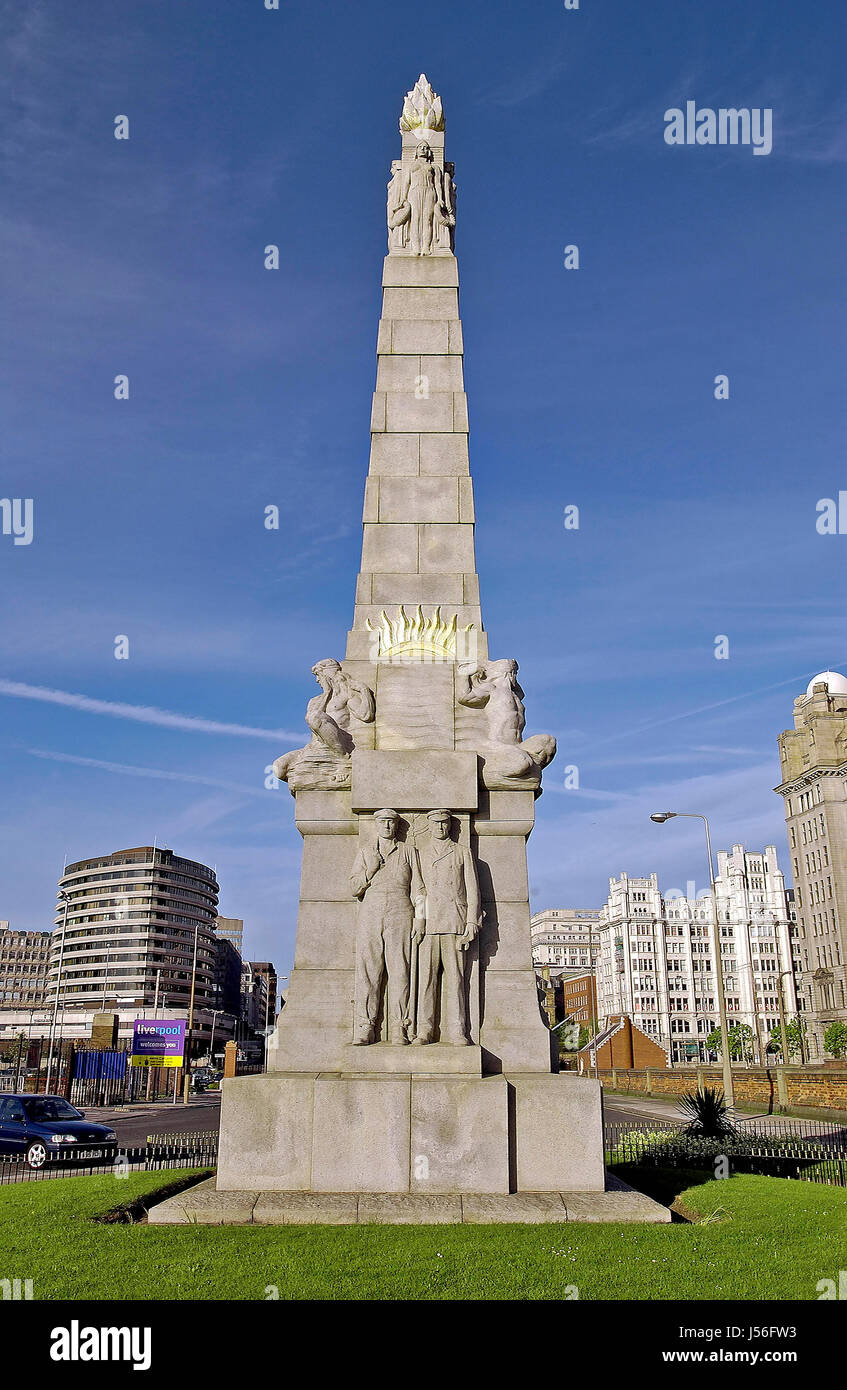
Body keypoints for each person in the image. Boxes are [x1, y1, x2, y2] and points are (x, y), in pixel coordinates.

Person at [350, 810, 424, 1045]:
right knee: (369, 971)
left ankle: (399, 1027)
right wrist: (370, 869)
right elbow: (353, 888)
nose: (387, 826)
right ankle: (366, 1025)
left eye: (391, 822)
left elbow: (419, 888)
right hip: (371, 912)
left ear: (397, 826)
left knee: (400, 971)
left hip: (401, 911)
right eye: (382, 821)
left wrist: (421, 918)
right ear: (376, 825)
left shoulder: (408, 851)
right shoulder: (365, 853)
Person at [413, 809, 480, 1045]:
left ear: (450, 826)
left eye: (445, 823)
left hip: (454, 921)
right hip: (430, 924)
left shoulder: (462, 852)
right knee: (426, 980)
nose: (441, 828)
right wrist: (420, 920)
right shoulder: (420, 854)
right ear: (430, 826)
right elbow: (418, 890)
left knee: (456, 980)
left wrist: (471, 921)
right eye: (436, 823)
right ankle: (424, 1030)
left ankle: (458, 1030)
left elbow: (472, 890)